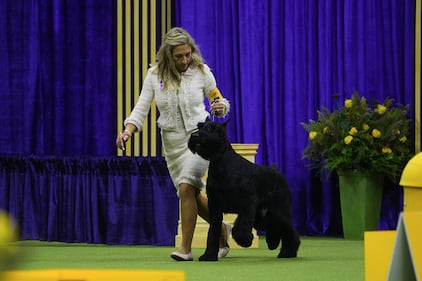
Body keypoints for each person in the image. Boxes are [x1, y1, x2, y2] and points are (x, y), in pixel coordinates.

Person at [116, 27, 231, 261]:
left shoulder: (201, 71)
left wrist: (220, 106)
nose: (185, 60)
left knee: (187, 188)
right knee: (192, 194)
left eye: (188, 54)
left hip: (199, 141)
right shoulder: (155, 75)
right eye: (179, 56)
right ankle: (221, 229)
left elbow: (217, 99)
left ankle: (185, 249)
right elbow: (141, 108)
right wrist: (127, 131)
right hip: (172, 144)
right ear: (168, 55)